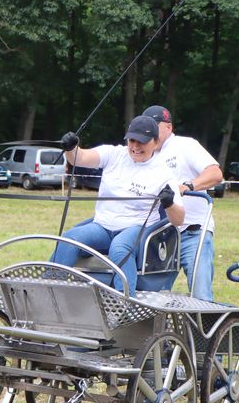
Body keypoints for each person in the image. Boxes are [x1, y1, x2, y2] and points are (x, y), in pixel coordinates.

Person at [52, 115, 184, 296]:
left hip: (137, 228)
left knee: (119, 247)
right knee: (69, 238)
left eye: (142, 142)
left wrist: (169, 203)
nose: (135, 147)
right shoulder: (113, 154)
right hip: (103, 226)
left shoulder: (164, 173)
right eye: (132, 141)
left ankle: (125, 301)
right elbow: (78, 158)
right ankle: (49, 288)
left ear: (155, 142)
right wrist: (70, 147)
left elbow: (179, 219)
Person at [142, 105, 224, 301]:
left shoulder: (186, 146)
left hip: (192, 232)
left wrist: (187, 186)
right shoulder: (145, 153)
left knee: (200, 293)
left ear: (168, 127)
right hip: (160, 236)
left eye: (154, 125)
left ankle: (206, 329)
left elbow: (215, 173)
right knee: (151, 294)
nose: (149, 131)